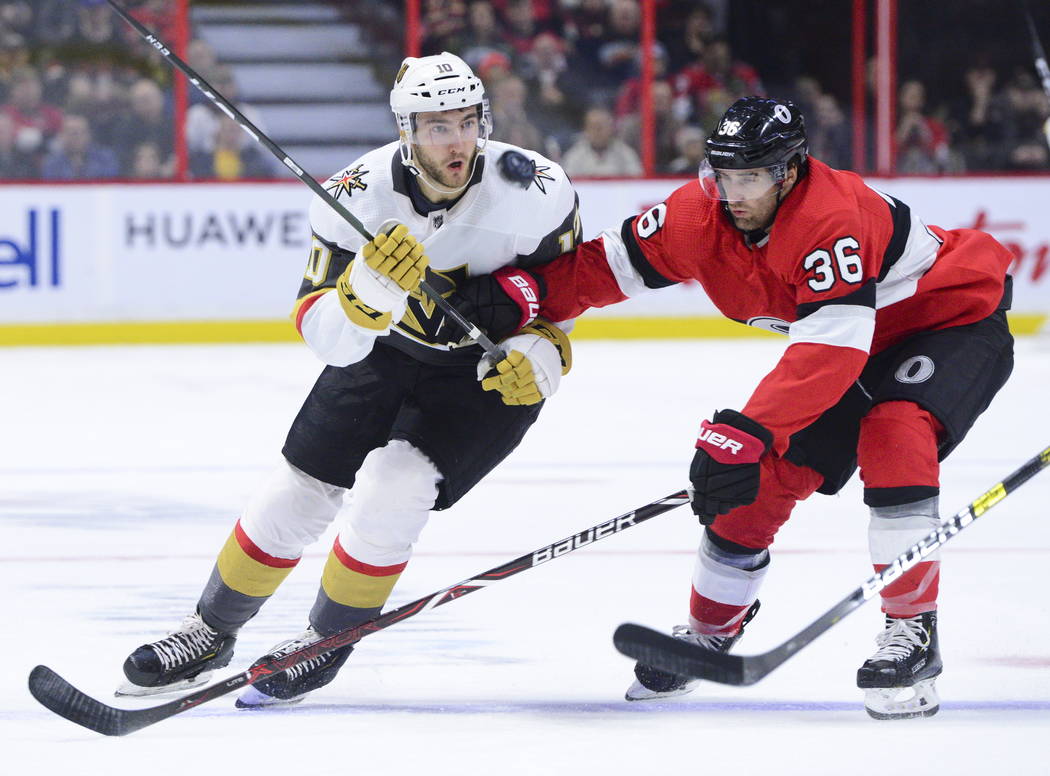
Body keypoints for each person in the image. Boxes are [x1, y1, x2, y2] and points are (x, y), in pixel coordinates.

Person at [453, 97, 1014, 719]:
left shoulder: (830, 219)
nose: (732, 193)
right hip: (858, 342)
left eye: (750, 178)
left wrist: (747, 429)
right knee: (756, 482)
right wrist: (526, 293)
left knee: (894, 432)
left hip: (950, 318)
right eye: (722, 174)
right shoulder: (697, 215)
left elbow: (831, 351)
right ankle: (708, 633)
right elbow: (607, 266)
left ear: (789, 172)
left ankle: (913, 630)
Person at [118, 52, 581, 707]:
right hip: (384, 351)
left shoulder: (538, 188)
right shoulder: (354, 194)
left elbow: (568, 291)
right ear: (406, 131)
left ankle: (326, 641)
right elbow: (323, 334)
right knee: (296, 491)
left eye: (467, 122)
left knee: (396, 487)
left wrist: (541, 352)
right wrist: (364, 296)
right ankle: (210, 630)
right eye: (438, 126)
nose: (457, 142)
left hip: (482, 374)